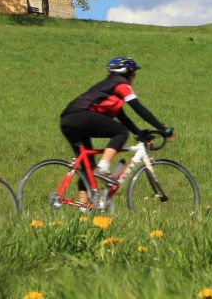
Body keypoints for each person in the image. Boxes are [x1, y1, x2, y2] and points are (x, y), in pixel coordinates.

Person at [60, 56, 174, 203]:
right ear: (128, 73)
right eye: (134, 74)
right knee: (120, 132)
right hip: (81, 116)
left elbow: (123, 118)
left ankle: (83, 207)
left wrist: (140, 134)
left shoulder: (108, 88)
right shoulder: (121, 85)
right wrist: (163, 129)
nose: (134, 78)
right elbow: (139, 109)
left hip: (68, 120)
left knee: (88, 166)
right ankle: (104, 166)